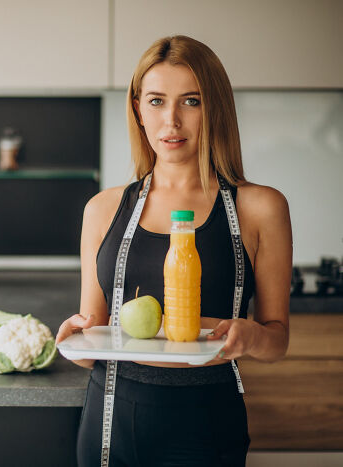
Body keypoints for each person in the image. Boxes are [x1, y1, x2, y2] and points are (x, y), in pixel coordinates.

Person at [56, 35, 291, 467]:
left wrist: (253, 335)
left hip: (207, 421)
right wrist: (74, 338)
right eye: (157, 101)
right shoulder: (103, 209)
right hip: (110, 420)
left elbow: (276, 340)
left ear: (214, 108)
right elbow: (95, 335)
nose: (172, 122)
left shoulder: (259, 208)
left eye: (191, 101)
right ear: (138, 109)